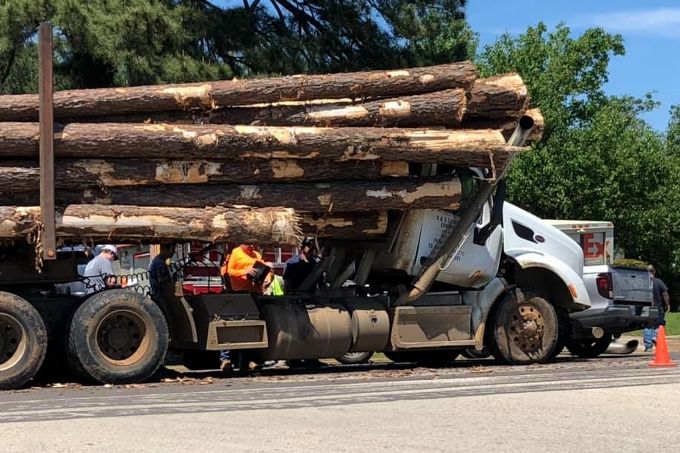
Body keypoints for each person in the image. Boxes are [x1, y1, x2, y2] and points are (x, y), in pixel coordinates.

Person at [643, 265, 671, 352]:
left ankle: (648, 346)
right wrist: (668, 304)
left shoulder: (643, 282)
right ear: (654, 271)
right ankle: (655, 337)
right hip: (657, 308)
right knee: (659, 324)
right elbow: (665, 294)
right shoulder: (658, 281)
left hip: (646, 308)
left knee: (647, 325)